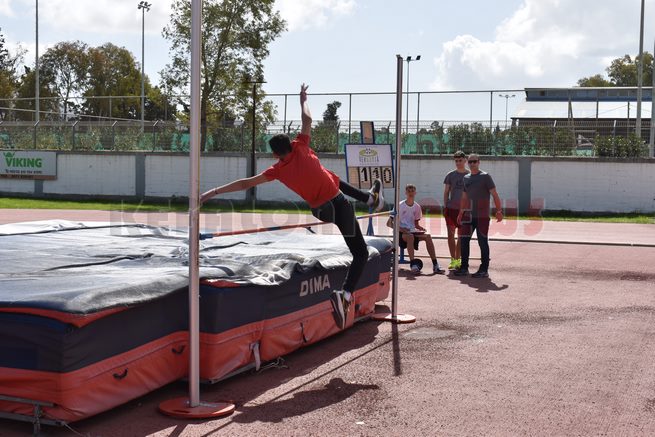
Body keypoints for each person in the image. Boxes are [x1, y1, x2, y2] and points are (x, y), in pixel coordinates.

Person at [200, 83, 384, 329]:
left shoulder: (276, 170)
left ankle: (369, 199)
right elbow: (307, 118)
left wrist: (213, 192)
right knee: (360, 253)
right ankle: (346, 295)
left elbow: (245, 183)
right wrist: (303, 99)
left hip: (320, 211)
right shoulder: (301, 146)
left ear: (275, 155)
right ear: (291, 143)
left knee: (329, 176)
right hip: (338, 205)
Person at [454, 153, 503, 278]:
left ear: (479, 162)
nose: (472, 164)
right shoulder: (466, 178)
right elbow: (464, 197)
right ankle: (464, 268)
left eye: (474, 161)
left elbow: (495, 194)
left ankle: (484, 269)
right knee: (464, 241)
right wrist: (461, 213)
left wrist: (499, 211)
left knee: (482, 242)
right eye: (470, 162)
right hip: (468, 216)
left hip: (482, 216)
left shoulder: (485, 177)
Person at [396, 184, 445, 275]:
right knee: (410, 236)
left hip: (412, 232)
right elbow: (390, 223)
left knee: (428, 236)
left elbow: (416, 224)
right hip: (401, 233)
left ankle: (435, 265)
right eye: (409, 191)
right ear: (405, 192)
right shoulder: (400, 205)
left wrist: (420, 228)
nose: (410, 193)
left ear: (415, 193)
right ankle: (413, 265)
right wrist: (403, 229)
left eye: (412, 191)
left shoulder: (417, 207)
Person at [443, 150, 469, 270]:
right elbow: (446, 192)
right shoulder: (450, 175)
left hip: (464, 210)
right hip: (451, 209)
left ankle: (458, 260)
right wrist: (446, 205)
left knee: (460, 236)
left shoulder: (470, 175)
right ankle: (453, 260)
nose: (458, 163)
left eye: (460, 160)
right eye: (456, 161)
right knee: (450, 235)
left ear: (465, 160)